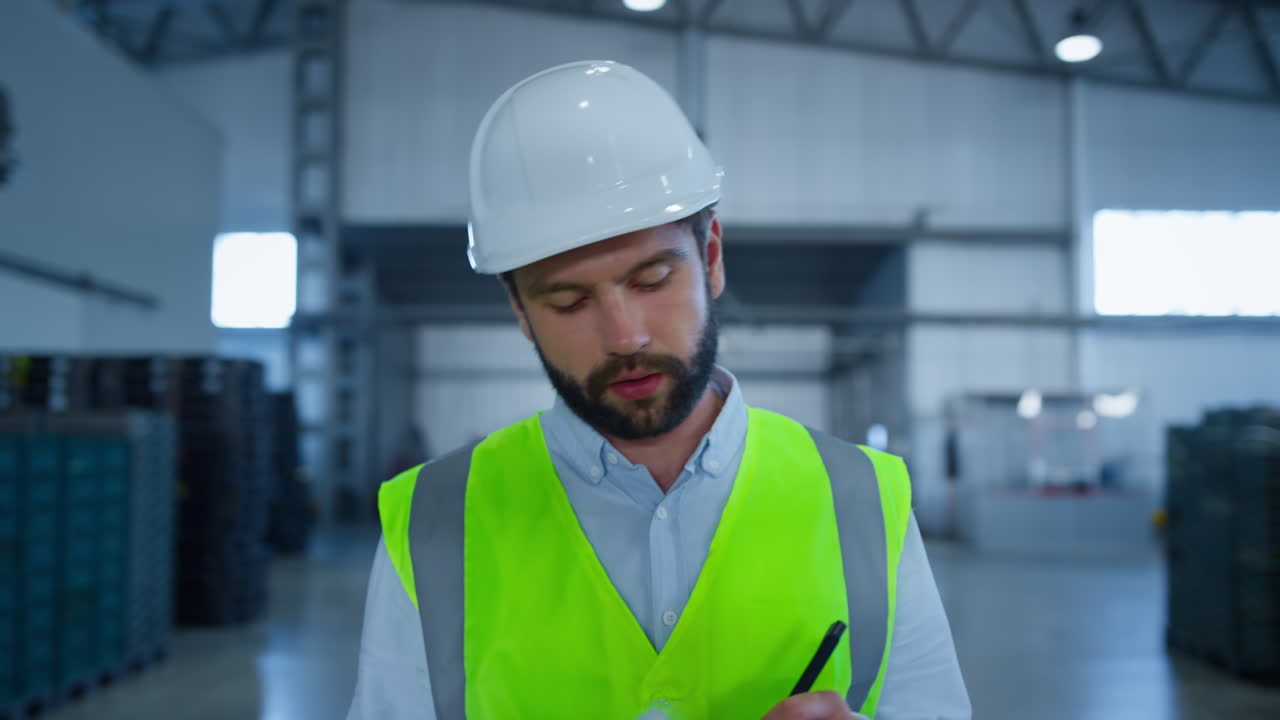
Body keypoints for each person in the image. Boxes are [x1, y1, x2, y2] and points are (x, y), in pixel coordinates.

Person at [347, 60, 970, 720]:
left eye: (651, 281)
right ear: (520, 311)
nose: (625, 336)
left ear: (711, 257)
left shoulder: (862, 500)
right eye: (568, 302)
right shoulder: (435, 521)